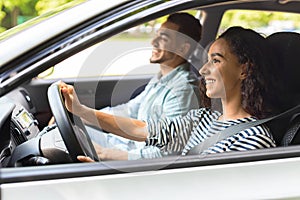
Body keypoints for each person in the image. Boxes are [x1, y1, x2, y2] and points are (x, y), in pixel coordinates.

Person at [59, 26, 277, 162]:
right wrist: (82, 111)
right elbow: (144, 129)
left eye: (216, 61)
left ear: (244, 70)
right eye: (207, 60)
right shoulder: (203, 118)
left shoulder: (253, 140)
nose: (203, 70)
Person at [58, 12, 203, 158]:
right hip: (123, 143)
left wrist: (106, 154)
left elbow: (167, 153)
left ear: (183, 49)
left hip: (132, 157)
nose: (153, 42)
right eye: (157, 35)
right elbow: (129, 110)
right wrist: (80, 115)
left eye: (163, 38)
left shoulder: (184, 91)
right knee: (59, 130)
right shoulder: (162, 78)